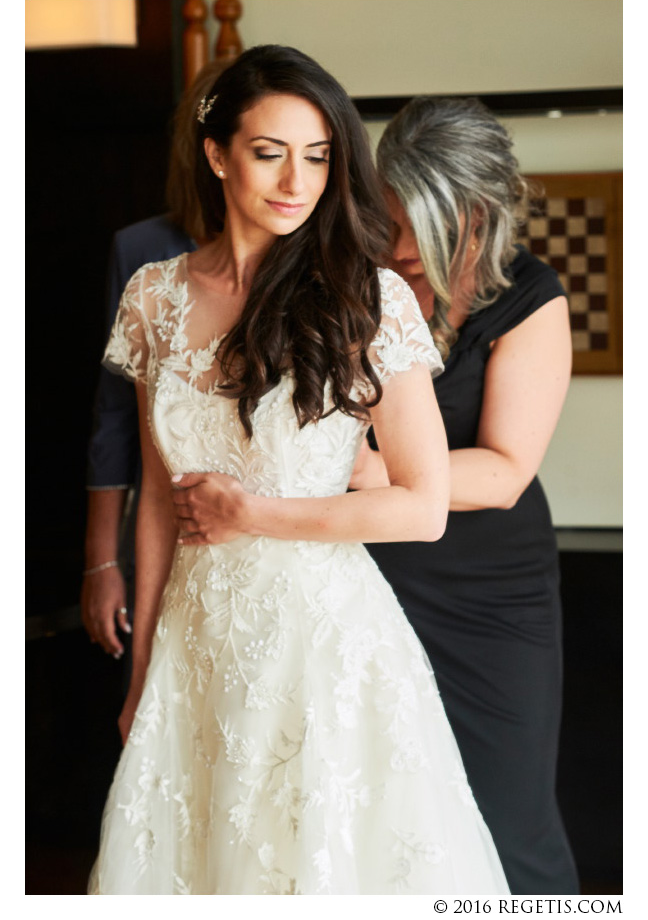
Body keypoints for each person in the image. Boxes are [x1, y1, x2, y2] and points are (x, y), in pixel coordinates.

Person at [87, 45, 509, 895]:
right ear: (217, 154)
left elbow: (422, 506)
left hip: (324, 643)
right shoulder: (152, 297)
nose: (297, 180)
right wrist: (144, 677)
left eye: (317, 155)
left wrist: (256, 514)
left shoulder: (368, 296)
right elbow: (163, 504)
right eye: (269, 151)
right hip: (196, 643)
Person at [349, 96, 579, 894]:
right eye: (388, 218)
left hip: (490, 598)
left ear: (477, 214)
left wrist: (384, 473)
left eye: (423, 224)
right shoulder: (359, 284)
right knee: (386, 817)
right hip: (368, 579)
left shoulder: (529, 295)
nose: (401, 246)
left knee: (508, 819)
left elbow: (507, 468)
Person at [81, 60, 229, 659]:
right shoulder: (143, 254)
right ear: (208, 152)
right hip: (166, 528)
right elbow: (115, 415)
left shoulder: (317, 259)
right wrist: (101, 561)